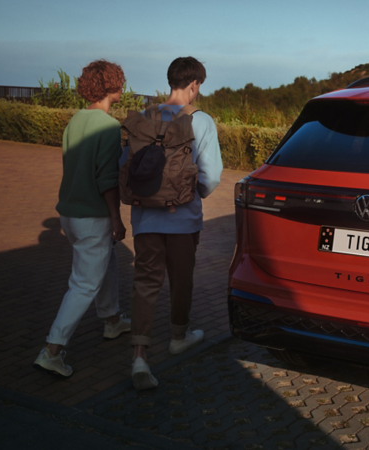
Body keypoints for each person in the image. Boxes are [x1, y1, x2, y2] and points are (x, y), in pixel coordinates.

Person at [123, 56, 222, 390]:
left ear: (171, 81)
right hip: (182, 219)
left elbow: (127, 166)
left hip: (145, 218)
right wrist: (194, 195)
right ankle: (178, 337)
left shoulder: (144, 118)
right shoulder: (201, 121)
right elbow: (211, 176)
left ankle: (139, 356)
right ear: (194, 85)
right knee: (181, 279)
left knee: (145, 282)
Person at [33, 60, 131, 377]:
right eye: (120, 81)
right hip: (93, 215)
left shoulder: (75, 120)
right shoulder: (109, 127)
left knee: (107, 264)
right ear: (112, 86)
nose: (123, 86)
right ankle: (52, 350)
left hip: (69, 214)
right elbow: (106, 179)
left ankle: (112, 320)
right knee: (83, 284)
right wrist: (116, 218)